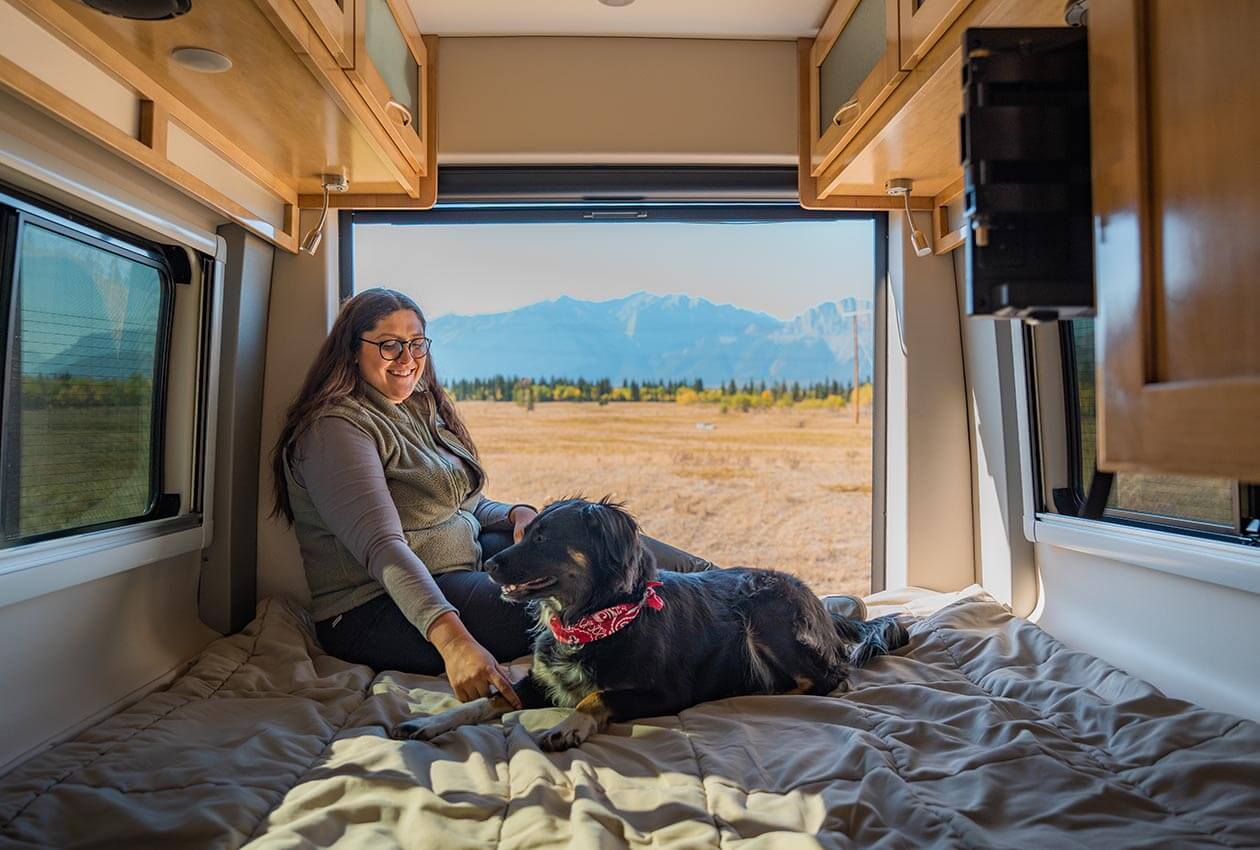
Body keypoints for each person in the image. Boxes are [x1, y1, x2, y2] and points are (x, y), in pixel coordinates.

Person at [269, 287, 717, 708]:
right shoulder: (337, 430)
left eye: (416, 343)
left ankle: (717, 581)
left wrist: (516, 514)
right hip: (378, 608)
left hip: (461, 566)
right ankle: (712, 619)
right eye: (389, 345)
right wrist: (454, 643)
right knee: (586, 592)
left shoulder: (416, 410)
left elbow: (462, 504)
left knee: (594, 540)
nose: (407, 358)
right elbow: (382, 548)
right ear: (351, 349)